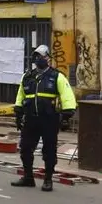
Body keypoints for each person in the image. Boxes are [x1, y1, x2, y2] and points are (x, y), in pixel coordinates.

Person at [12, 44, 76, 192]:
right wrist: (18, 113)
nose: (38, 59)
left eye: (41, 57)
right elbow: (20, 95)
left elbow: (67, 96)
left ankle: (48, 179)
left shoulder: (57, 76)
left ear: (48, 58)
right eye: (36, 57)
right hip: (30, 119)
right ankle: (28, 177)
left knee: (49, 150)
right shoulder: (27, 76)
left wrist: (66, 115)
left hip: (49, 119)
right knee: (25, 148)